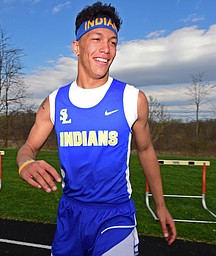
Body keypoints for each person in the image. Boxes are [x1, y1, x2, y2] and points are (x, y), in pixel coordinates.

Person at [17, 2, 176, 255]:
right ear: (76, 47)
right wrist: (25, 163)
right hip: (70, 214)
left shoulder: (132, 99)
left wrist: (160, 205)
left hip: (115, 216)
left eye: (113, 42)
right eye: (97, 39)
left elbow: (146, 151)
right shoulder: (55, 102)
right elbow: (28, 147)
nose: (106, 49)